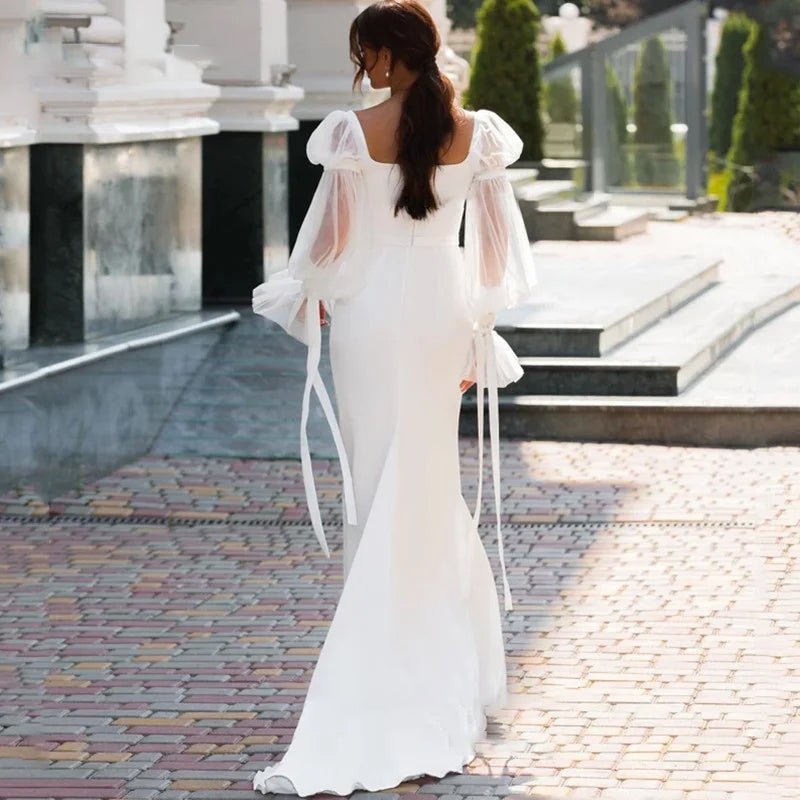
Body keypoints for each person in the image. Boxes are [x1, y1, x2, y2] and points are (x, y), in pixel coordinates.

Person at [251, 0, 537, 794]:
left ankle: (380, 665)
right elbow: (495, 256)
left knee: (379, 482)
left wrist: (301, 290)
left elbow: (332, 244)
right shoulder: (478, 132)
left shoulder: (351, 132)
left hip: (374, 319)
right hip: (441, 314)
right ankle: (438, 665)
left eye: (366, 52)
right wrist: (477, 328)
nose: (364, 66)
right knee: (426, 483)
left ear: (386, 53)